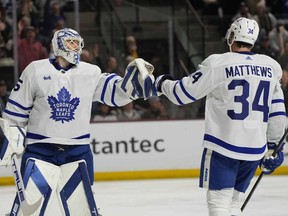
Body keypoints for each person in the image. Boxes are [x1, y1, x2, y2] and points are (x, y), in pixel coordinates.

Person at [0, 28, 154, 215]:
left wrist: (132, 85)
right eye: (70, 42)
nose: (75, 47)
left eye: (77, 43)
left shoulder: (90, 72)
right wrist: (13, 135)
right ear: (58, 45)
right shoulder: (35, 70)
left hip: (77, 151)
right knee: (27, 212)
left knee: (83, 211)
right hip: (40, 150)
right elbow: (16, 111)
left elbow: (115, 93)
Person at [154, 17, 286, 215]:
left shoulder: (218, 63)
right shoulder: (271, 67)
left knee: (219, 204)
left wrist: (161, 84)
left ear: (232, 35)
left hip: (224, 146)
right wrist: (275, 147)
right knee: (233, 204)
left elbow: (183, 94)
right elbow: (277, 109)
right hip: (254, 149)